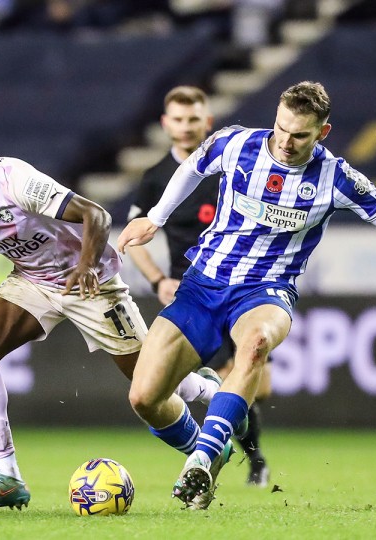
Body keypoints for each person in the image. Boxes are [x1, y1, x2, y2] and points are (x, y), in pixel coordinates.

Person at [117, 81, 376, 510]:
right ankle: (210, 447)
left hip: (266, 291)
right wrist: (155, 218)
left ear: (323, 132)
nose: (285, 142)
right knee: (144, 398)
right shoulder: (233, 144)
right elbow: (192, 167)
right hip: (202, 282)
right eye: (281, 128)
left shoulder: (337, 178)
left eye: (299, 134)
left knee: (255, 344)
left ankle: (204, 458)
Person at [0, 143, 220, 511]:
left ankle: (205, 391)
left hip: (90, 280)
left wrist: (85, 265)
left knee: (149, 381)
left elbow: (96, 215)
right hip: (34, 281)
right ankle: (7, 475)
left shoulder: (15, 182)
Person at [126, 85, 271, 486]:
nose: (186, 127)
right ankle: (250, 462)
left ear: (208, 122)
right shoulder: (157, 177)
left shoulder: (228, 166)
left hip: (242, 286)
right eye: (178, 119)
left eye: (194, 119)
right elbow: (135, 235)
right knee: (229, 374)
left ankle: (251, 455)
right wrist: (158, 280)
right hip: (193, 293)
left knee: (258, 384)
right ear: (165, 124)